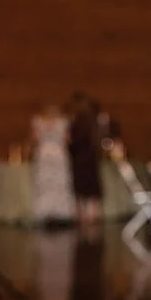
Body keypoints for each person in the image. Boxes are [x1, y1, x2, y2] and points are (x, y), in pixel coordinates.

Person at [30, 104, 76, 225]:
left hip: (44, 153)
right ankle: (62, 213)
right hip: (58, 153)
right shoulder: (63, 122)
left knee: (44, 183)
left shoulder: (38, 122)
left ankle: (44, 212)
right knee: (59, 182)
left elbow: (34, 138)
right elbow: (67, 139)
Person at [67, 92, 103, 226]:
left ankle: (81, 215)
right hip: (91, 158)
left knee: (80, 188)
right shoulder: (94, 122)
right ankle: (93, 214)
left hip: (78, 159)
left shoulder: (75, 124)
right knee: (91, 188)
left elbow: (72, 143)